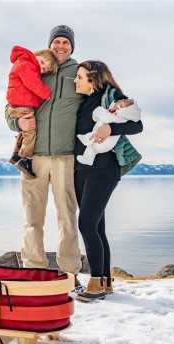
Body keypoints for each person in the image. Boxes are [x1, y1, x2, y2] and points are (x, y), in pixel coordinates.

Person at [4, 25, 84, 278]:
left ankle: (70, 273)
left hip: (65, 156)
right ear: (50, 44)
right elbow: (10, 107)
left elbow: (95, 104)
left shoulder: (80, 72)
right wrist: (17, 123)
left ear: (72, 46)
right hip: (33, 157)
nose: (60, 46)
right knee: (32, 217)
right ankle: (32, 269)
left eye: (65, 43)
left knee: (67, 217)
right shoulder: (37, 68)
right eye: (57, 42)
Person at [73, 60, 144, 302]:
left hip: (103, 170)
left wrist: (110, 130)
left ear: (93, 79)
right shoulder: (83, 102)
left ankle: (95, 284)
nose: (76, 81)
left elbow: (137, 124)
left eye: (80, 77)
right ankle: (105, 282)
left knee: (86, 224)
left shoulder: (110, 95)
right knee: (97, 227)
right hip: (81, 169)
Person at [6, 46, 58, 178]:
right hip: (21, 105)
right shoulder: (26, 65)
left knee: (26, 133)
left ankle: (16, 155)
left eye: (45, 69)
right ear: (36, 55)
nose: (42, 69)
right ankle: (24, 158)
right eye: (42, 63)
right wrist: (45, 93)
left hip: (21, 103)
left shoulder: (26, 64)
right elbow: (32, 83)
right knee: (30, 132)